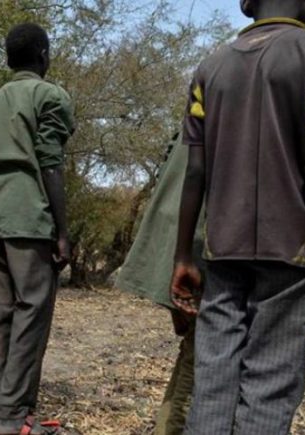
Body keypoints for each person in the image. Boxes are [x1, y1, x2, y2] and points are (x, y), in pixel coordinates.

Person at [172, 1, 305, 433]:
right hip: (291, 256)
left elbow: (195, 172)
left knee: (212, 384)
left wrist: (183, 257)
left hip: (222, 252)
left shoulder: (211, 67)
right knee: (268, 389)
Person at [0, 23, 74, 435]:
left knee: (1, 315)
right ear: (45, 54)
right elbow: (50, 163)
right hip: (32, 220)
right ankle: (12, 416)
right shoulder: (50, 96)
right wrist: (63, 230)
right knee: (32, 316)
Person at [113, 135, 201, 435]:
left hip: (180, 241)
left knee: (194, 350)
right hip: (197, 246)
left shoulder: (203, 98)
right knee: (200, 358)